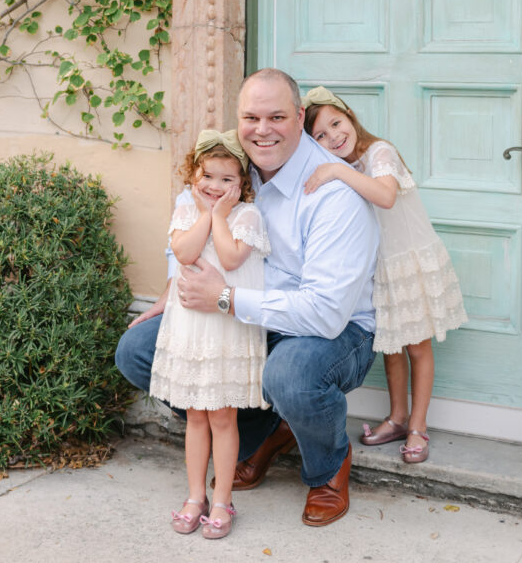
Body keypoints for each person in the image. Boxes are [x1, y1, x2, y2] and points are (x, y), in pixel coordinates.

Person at [116, 68, 378, 527]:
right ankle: (261, 433)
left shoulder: (333, 193)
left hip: (332, 331)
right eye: (251, 117)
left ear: (299, 117)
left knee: (291, 374)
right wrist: (174, 291)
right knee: (139, 351)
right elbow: (186, 239)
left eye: (276, 116)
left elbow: (325, 312)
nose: (262, 130)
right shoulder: (226, 167)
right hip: (243, 313)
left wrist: (225, 299)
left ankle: (327, 465)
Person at [302, 85, 467, 464]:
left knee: (417, 348)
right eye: (321, 136)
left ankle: (418, 426)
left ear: (351, 117)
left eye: (336, 123)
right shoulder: (346, 167)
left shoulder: (380, 153)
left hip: (409, 263)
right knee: (390, 347)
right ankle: (396, 417)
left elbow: (386, 195)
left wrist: (334, 170)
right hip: (381, 268)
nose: (333, 136)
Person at [149, 128, 270, 539]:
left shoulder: (247, 217)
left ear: (242, 184)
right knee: (195, 416)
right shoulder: (187, 212)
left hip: (226, 332)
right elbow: (183, 252)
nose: (215, 187)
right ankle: (194, 495)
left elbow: (234, 259)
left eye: (227, 180)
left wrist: (219, 216)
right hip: (191, 330)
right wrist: (205, 214)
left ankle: (222, 499)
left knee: (222, 416)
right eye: (208, 177)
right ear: (193, 174)